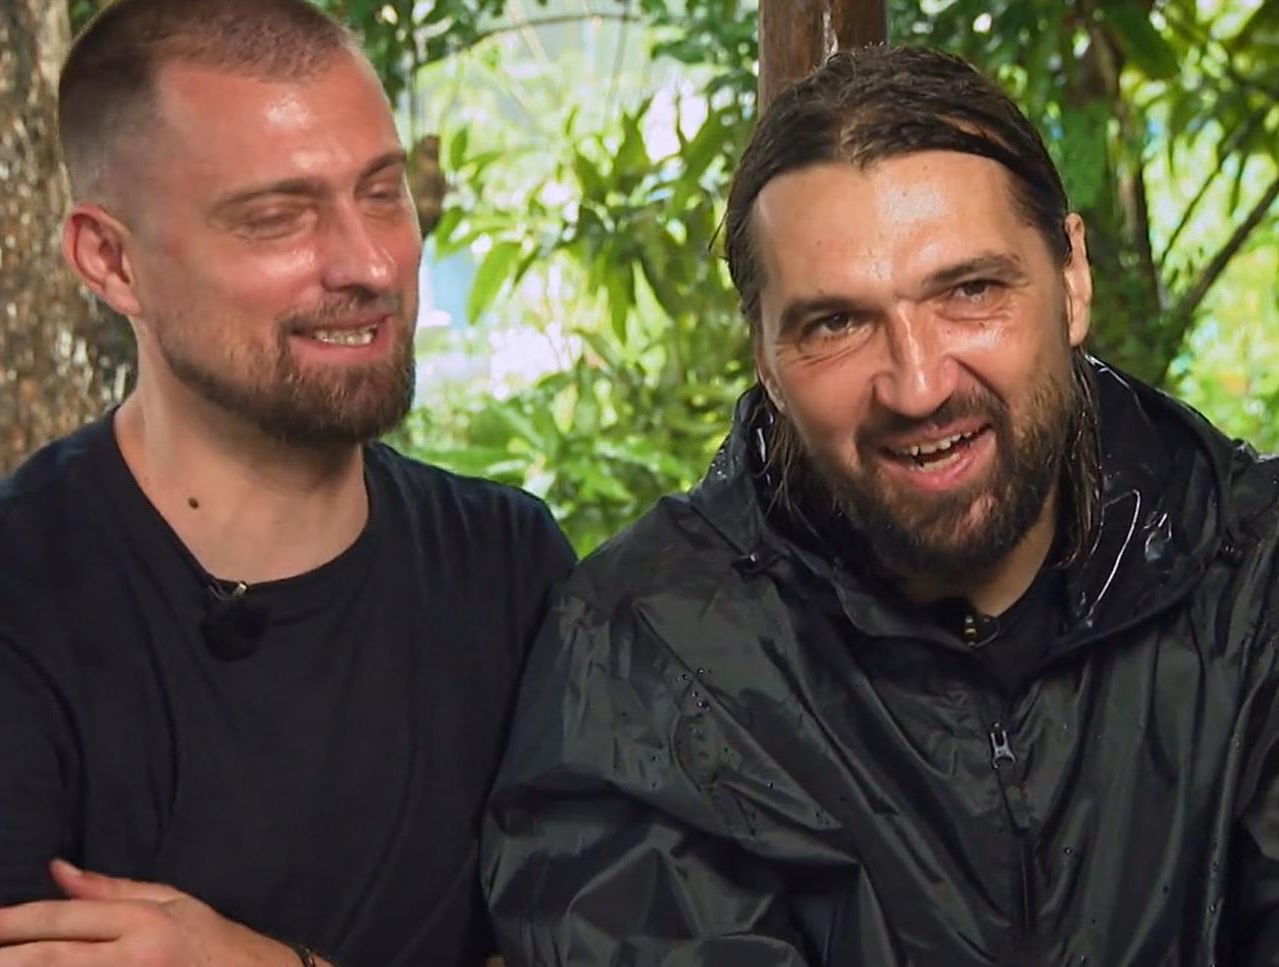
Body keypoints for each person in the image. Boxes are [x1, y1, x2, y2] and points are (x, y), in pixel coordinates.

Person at [0, 1, 574, 964]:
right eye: (276, 218)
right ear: (111, 260)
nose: (368, 263)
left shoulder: (508, 569)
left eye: (381, 193)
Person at [482, 44, 1279, 966]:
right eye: (836, 323)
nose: (917, 383)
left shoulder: (1251, 573)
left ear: (1071, 279)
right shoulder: (643, 654)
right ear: (763, 359)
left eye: (969, 290)